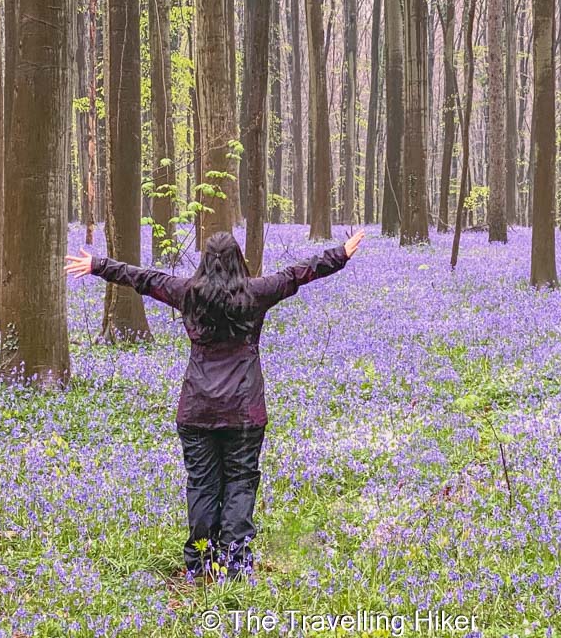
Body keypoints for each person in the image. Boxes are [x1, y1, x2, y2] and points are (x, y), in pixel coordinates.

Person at [64, 229, 365, 580]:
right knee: (240, 484)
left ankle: (200, 563)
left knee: (202, 485)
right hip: (244, 412)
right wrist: (340, 254)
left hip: (198, 409)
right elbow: (298, 274)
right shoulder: (256, 293)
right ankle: (234, 565)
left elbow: (144, 279)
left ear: (205, 262)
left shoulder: (187, 293)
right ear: (238, 260)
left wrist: (98, 264)